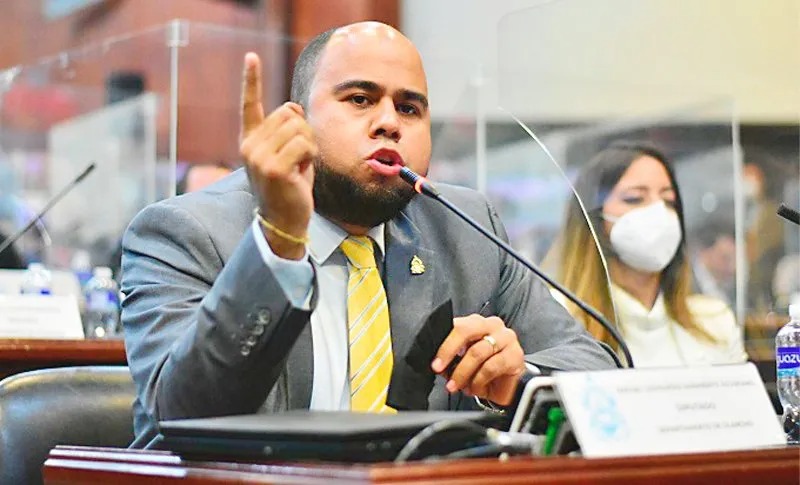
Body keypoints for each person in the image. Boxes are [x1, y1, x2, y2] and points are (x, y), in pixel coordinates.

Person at [121, 22, 615, 448]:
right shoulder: (184, 233)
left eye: (409, 109)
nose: (388, 123)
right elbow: (180, 419)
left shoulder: (467, 227)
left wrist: (516, 380)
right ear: (296, 120)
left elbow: (599, 378)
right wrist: (279, 243)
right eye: (360, 99)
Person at [550, 141, 746, 368]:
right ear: (593, 218)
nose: (658, 211)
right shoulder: (560, 318)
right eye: (634, 199)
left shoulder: (714, 321)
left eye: (668, 200)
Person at [691, 220, 737, 306]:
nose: (732, 267)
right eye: (725, 258)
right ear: (704, 253)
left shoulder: (734, 290)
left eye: (734, 260)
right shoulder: (685, 285)